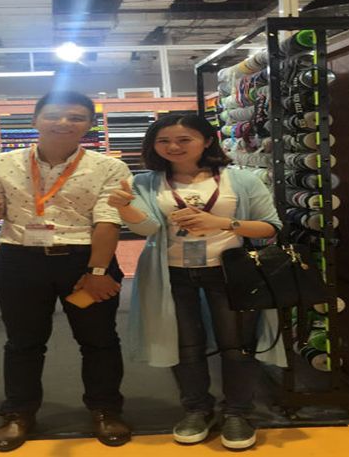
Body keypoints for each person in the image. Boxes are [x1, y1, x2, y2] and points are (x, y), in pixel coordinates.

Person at [107, 113, 281, 451]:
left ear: (208, 140)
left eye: (184, 139)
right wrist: (125, 209)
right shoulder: (146, 183)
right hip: (171, 274)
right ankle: (197, 409)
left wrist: (222, 223)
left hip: (230, 273)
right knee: (185, 347)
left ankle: (238, 412)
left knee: (237, 346)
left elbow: (271, 227)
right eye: (163, 141)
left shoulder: (241, 179)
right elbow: (147, 229)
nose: (173, 146)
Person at [0, 90, 132, 453]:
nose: (64, 123)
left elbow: (108, 221)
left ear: (89, 125)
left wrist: (98, 271)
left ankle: (106, 410)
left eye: (76, 117)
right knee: (23, 342)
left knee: (99, 340)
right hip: (19, 261)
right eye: (54, 115)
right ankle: (18, 414)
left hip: (85, 259)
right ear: (35, 120)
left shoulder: (110, 167)